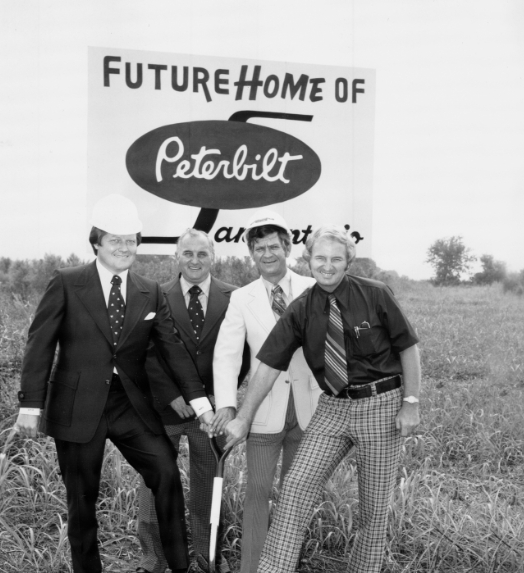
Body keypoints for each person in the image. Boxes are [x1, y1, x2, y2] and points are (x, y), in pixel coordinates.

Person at [13, 194, 215, 573]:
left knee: (166, 474)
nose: (125, 248)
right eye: (115, 240)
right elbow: (39, 344)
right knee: (82, 500)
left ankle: (179, 566)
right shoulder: (68, 282)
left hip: (130, 406)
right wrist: (30, 406)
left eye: (131, 240)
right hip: (77, 406)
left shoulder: (149, 290)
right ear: (96, 243)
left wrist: (202, 405)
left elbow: (173, 351)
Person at [222, 225, 421, 573]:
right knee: (296, 488)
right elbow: (268, 365)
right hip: (331, 407)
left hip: (380, 404)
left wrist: (411, 402)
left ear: (347, 262)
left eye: (336, 259)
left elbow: (408, 346)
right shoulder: (301, 308)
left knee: (373, 510)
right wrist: (243, 417)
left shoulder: (375, 294)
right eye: (320, 258)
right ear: (308, 259)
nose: (327, 265)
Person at [210, 211, 321, 573]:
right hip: (262, 412)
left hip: (310, 410)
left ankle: (285, 566)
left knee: (296, 497)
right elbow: (226, 355)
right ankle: (252, 568)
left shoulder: (313, 288)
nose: (267, 254)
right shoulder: (242, 299)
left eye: (274, 246)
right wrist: (227, 405)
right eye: (259, 248)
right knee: (257, 493)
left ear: (287, 248)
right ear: (251, 254)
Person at [135, 228, 250, 573]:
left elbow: (241, 353)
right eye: (188, 253)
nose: (195, 261)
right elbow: (146, 351)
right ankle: (153, 560)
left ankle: (206, 558)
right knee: (155, 487)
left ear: (213, 257)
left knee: (207, 486)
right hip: (162, 407)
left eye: (202, 254)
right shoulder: (155, 295)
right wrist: (173, 396)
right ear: (176, 257)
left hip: (212, 413)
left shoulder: (235, 297)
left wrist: (217, 398)